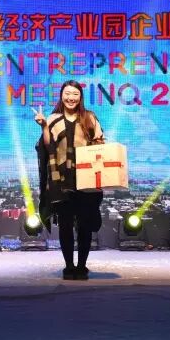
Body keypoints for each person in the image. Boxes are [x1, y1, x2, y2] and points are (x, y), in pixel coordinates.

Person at [34, 80, 104, 280]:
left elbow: (100, 142)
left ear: (80, 97)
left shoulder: (89, 117)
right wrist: (44, 126)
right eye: (67, 93)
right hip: (61, 180)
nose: (71, 98)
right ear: (61, 96)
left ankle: (81, 266)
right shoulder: (53, 119)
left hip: (85, 179)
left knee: (84, 225)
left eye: (75, 94)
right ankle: (69, 266)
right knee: (65, 225)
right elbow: (48, 146)